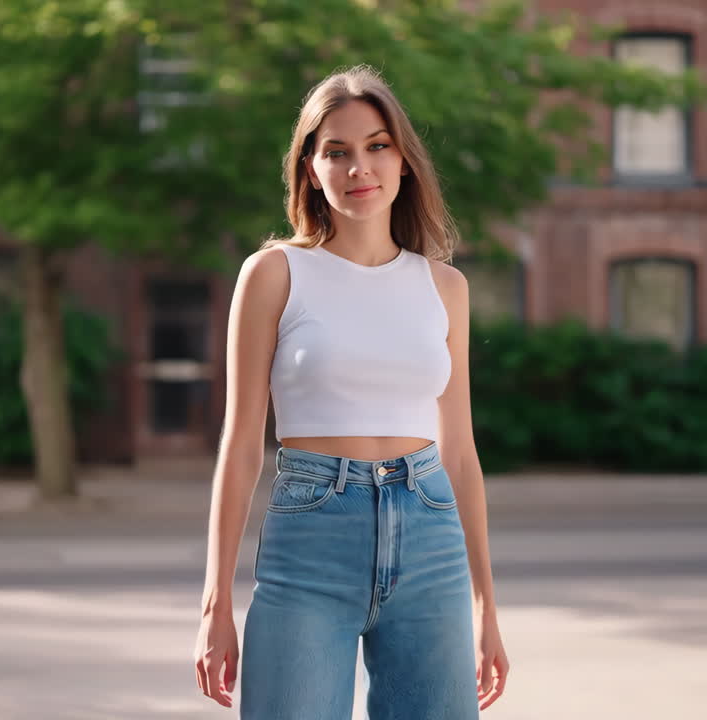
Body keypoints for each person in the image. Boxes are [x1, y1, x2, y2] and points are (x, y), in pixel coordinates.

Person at [194, 65, 509, 719]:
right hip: (311, 535)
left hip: (430, 538)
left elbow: (459, 454)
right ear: (311, 169)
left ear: (403, 161)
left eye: (377, 146)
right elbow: (241, 443)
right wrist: (216, 604)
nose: (358, 167)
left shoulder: (444, 287)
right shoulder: (275, 273)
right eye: (336, 151)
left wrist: (487, 607)